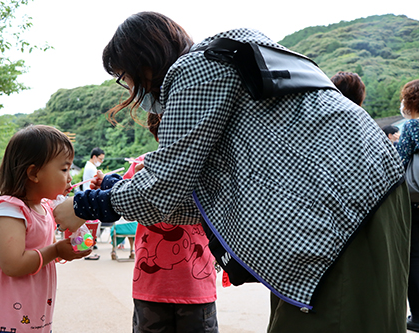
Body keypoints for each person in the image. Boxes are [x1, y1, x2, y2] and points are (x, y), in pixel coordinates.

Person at [54, 12, 409, 332]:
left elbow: (162, 190)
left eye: (124, 77)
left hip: (341, 209)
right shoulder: (225, 60)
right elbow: (199, 203)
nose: (130, 89)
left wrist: (85, 205)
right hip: (363, 196)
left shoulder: (194, 70)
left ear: (144, 63)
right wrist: (116, 190)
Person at [0, 125, 91, 333]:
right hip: (5, 303)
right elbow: (13, 264)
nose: (70, 177)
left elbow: (39, 247)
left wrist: (65, 248)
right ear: (34, 173)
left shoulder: (44, 207)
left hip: (32, 299)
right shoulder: (10, 209)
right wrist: (55, 251)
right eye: (64, 169)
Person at [128, 113, 218, 332]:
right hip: (162, 286)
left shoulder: (207, 167)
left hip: (190, 286)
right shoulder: (140, 166)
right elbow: (124, 204)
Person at [395, 79, 419, 332]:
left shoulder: (412, 127)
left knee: (414, 258)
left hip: (415, 204)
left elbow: (397, 164)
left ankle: (418, 316)